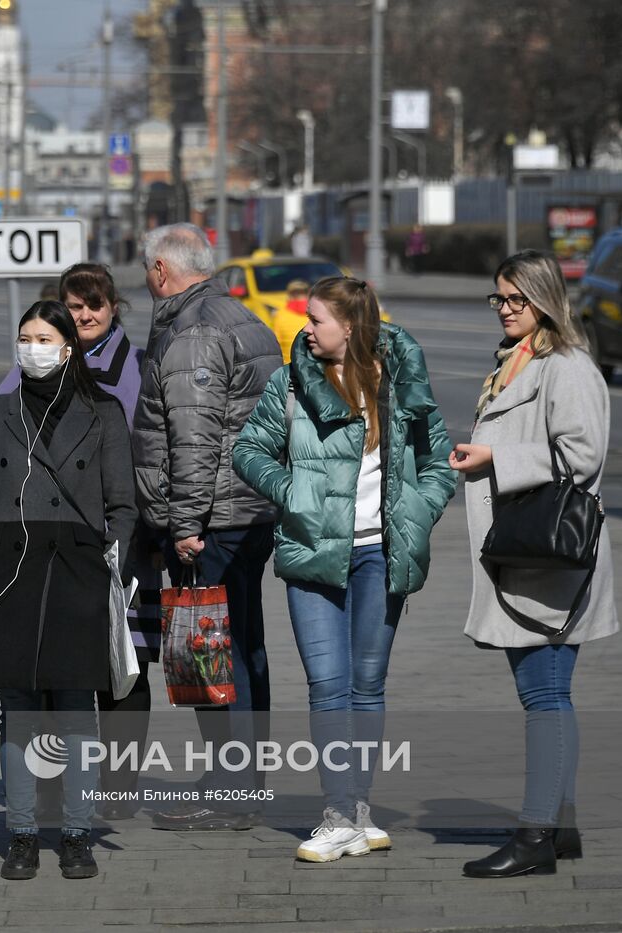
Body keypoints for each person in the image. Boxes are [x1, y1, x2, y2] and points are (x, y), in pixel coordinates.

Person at [233, 276, 456, 862]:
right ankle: (336, 816)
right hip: (315, 555)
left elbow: (439, 459)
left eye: (317, 320)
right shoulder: (291, 383)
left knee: (366, 687)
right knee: (328, 688)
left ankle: (357, 811)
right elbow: (248, 450)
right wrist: (292, 493)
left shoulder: (401, 382)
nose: (306, 329)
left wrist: (420, 508)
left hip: (381, 555)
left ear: (351, 328)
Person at [452, 250, 618, 879]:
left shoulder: (567, 367)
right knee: (551, 693)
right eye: (498, 299)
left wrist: (495, 457)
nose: (505, 310)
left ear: (545, 300)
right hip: (528, 555)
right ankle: (560, 827)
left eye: (515, 299)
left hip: (551, 558)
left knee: (543, 694)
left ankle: (534, 837)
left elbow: (583, 457)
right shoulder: (518, 362)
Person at [0, 301, 136, 881]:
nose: (31, 347)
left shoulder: (103, 411)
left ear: (67, 348)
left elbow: (122, 503)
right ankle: (22, 832)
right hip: (10, 566)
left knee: (78, 708)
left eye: (43, 338)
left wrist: (111, 559)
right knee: (19, 707)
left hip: (79, 565)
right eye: (24, 337)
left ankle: (79, 832)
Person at [131, 223, 282, 831]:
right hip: (249, 510)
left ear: (162, 271)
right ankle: (243, 777)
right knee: (244, 648)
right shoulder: (242, 318)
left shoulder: (192, 331)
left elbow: (192, 438)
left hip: (210, 520)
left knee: (210, 657)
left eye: (147, 272)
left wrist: (185, 523)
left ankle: (232, 790)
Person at [0, 262, 157, 817]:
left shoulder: (136, 368)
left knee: (122, 658)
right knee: (54, 664)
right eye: (77, 303)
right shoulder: (31, 364)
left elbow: (149, 447)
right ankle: (53, 781)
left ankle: (116, 785)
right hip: (43, 541)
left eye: (96, 304)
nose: (86, 314)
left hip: (117, 534)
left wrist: (126, 530)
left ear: (114, 308)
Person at [271, 279, 310, 364]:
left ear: (289, 295)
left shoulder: (280, 314)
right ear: (308, 294)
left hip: (289, 366)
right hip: (312, 366)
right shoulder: (315, 312)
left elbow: (275, 343)